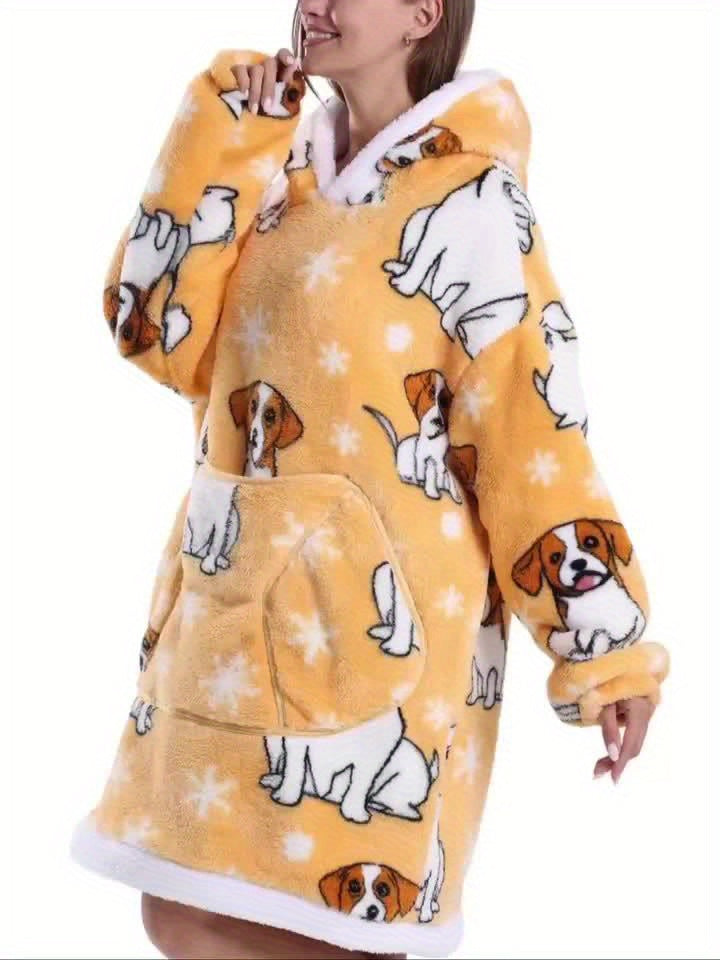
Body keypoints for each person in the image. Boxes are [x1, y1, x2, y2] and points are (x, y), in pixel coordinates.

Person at [70, 1, 670, 958]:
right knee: (178, 907)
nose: (315, 4)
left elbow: (532, 434)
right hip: (231, 608)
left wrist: (607, 654)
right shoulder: (269, 163)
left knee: (342, 925)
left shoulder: (477, 203)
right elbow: (151, 332)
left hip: (381, 626)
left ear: (423, 14)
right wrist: (225, 132)